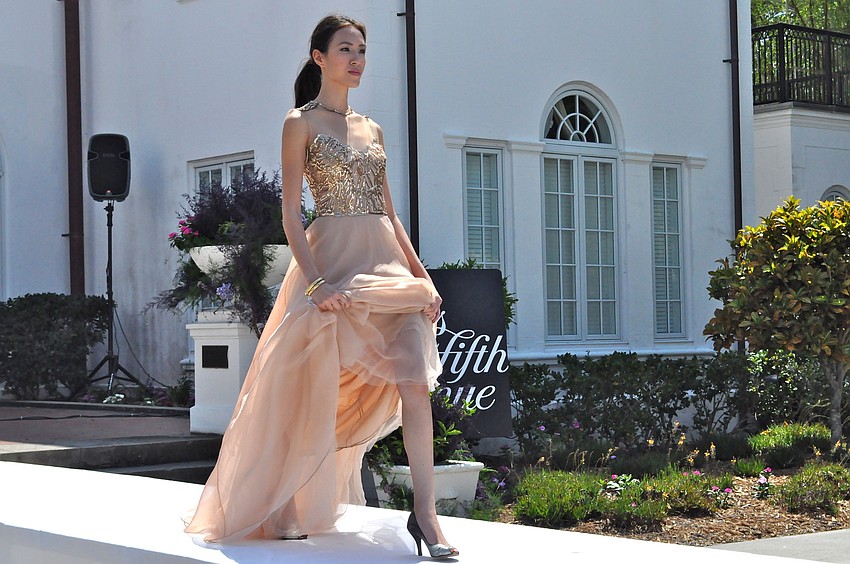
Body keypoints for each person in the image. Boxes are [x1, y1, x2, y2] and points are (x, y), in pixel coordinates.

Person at [184, 14, 459, 559]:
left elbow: (390, 214)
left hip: (390, 273)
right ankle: (283, 499)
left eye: (362, 50)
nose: (356, 59)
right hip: (332, 269)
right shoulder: (300, 123)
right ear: (319, 57)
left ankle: (426, 516)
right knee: (307, 387)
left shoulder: (373, 128)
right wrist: (315, 284)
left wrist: (424, 279)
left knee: (414, 384)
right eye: (345, 49)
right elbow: (291, 214)